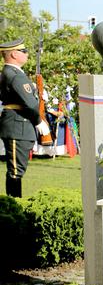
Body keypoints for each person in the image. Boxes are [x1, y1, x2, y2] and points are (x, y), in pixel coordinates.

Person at [0, 39, 50, 197]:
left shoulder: (12, 73)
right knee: (15, 171)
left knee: (17, 170)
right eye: (23, 51)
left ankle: (14, 204)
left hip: (19, 125)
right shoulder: (14, 75)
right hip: (17, 126)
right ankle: (14, 207)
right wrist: (39, 121)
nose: (27, 54)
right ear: (14, 54)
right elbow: (30, 104)